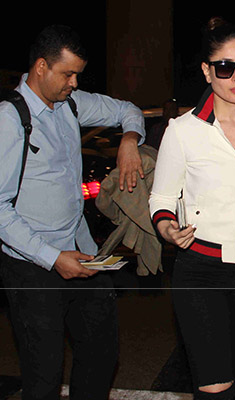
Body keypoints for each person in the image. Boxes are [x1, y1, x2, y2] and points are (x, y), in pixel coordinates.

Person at [0, 25, 146, 400]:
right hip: (31, 265)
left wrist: (129, 141)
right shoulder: (9, 120)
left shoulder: (71, 104)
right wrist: (52, 258)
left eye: (78, 74)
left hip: (82, 253)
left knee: (101, 353)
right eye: (67, 74)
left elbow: (128, 110)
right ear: (40, 67)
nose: (74, 82)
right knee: (44, 374)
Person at [149, 17, 235, 400]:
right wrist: (168, 228)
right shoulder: (183, 130)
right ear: (208, 71)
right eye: (225, 67)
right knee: (214, 386)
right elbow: (161, 199)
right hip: (200, 270)